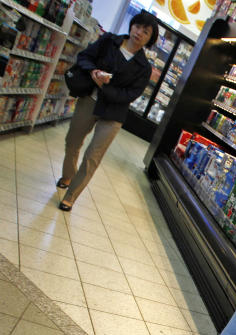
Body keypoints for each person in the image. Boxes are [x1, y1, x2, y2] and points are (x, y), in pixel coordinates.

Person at [56, 11, 157, 211]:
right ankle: (68, 175)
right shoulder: (109, 40)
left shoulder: (144, 67)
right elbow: (84, 57)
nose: (139, 33)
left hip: (113, 114)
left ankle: (71, 196)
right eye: (137, 27)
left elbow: (130, 95)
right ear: (132, 25)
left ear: (149, 39)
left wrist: (105, 87)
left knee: (93, 156)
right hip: (89, 101)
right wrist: (93, 72)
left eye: (145, 32)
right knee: (72, 142)